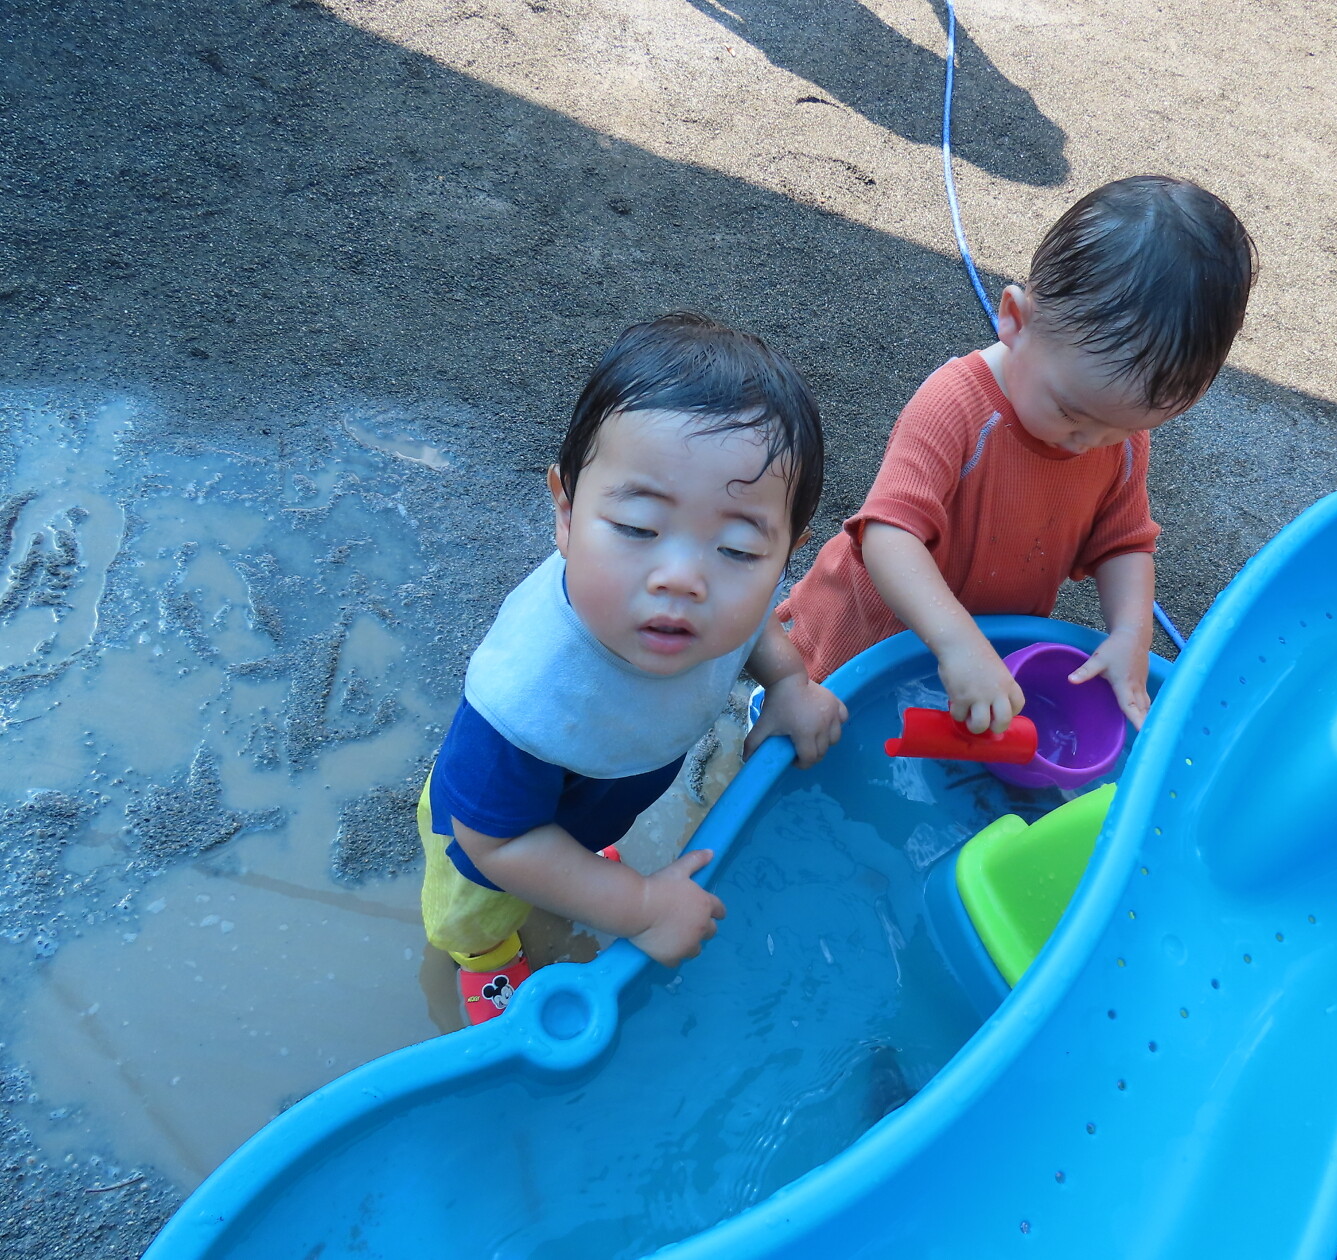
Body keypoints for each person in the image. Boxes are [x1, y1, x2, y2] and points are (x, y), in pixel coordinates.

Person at [419, 313, 847, 1024]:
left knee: (571, 849)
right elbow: (495, 841)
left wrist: (790, 682)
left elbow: (755, 632)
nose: (683, 578)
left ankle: (578, 866)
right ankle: (484, 959)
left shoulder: (715, 607)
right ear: (565, 512)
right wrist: (641, 905)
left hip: (597, 785)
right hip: (492, 837)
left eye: (739, 550)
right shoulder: (527, 697)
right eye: (638, 528)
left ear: (784, 555)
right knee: (477, 909)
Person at [776, 176, 1255, 734]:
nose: (1089, 441)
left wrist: (1130, 634)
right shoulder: (956, 406)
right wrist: (958, 643)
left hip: (979, 657)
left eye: (1128, 426)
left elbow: (1124, 543)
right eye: (1070, 412)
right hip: (860, 645)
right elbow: (888, 536)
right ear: (1015, 320)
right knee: (806, 740)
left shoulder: (1115, 437)